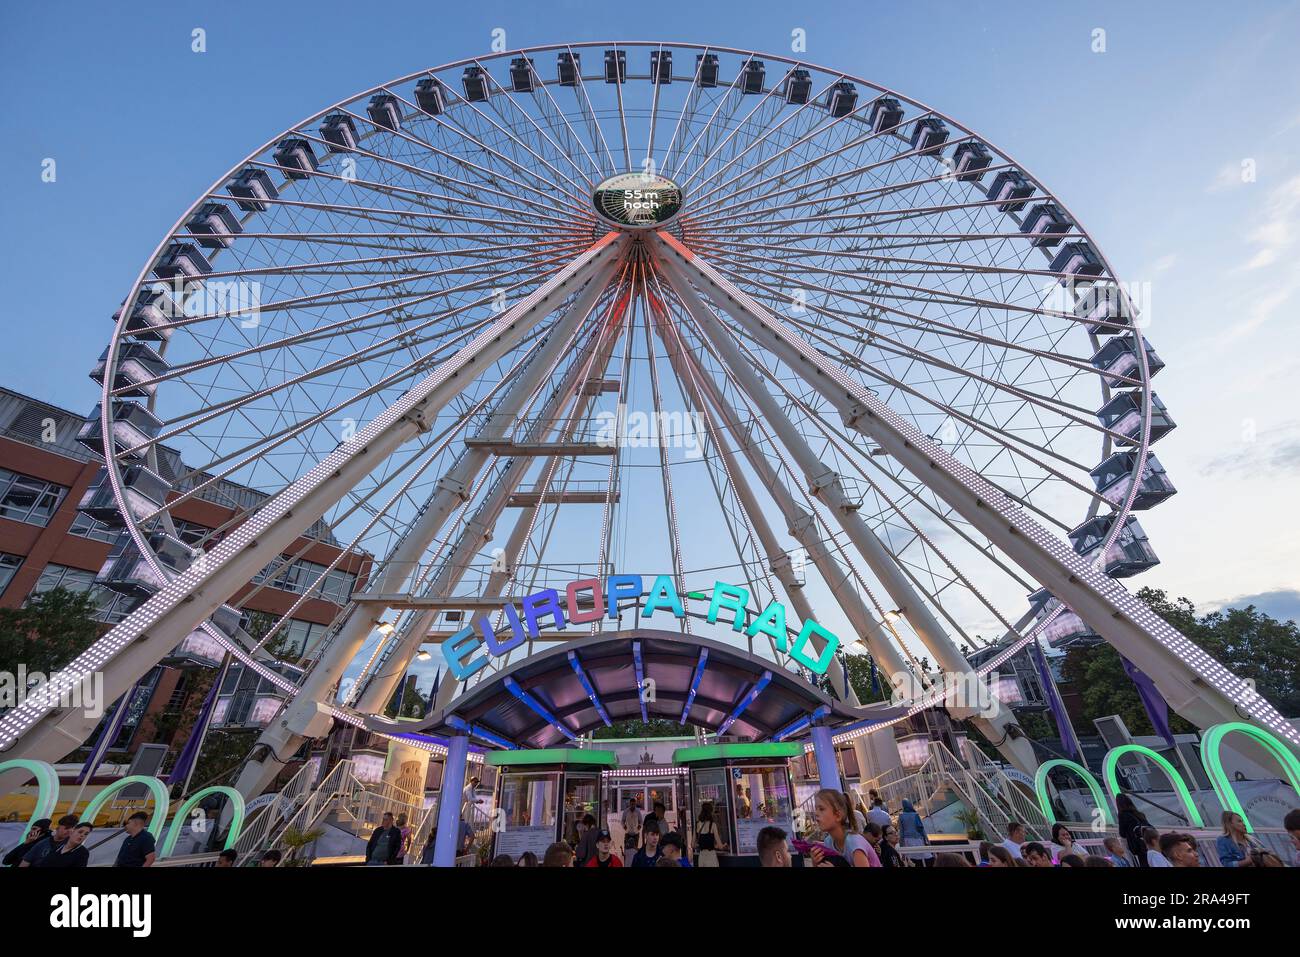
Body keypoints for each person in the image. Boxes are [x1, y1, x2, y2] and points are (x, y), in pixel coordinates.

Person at [808, 789, 872, 868]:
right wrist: (816, 862)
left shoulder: (855, 844)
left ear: (838, 816)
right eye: (816, 809)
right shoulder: (828, 842)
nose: (816, 813)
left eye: (821, 809)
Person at [1115, 793, 1151, 868]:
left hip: (1137, 845)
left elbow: (1122, 833)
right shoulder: (1139, 814)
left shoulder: (1123, 815)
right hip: (1148, 841)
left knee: (1143, 862)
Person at [897, 798, 931, 865]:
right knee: (923, 859)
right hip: (918, 839)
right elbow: (921, 829)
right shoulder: (915, 815)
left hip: (907, 841)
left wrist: (902, 849)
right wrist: (926, 840)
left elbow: (901, 832)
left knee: (912, 861)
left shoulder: (901, 816)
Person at [695, 801, 725, 867]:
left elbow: (692, 845)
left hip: (701, 857)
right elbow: (720, 846)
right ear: (710, 812)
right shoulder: (713, 825)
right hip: (711, 857)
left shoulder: (697, 824)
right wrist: (724, 845)